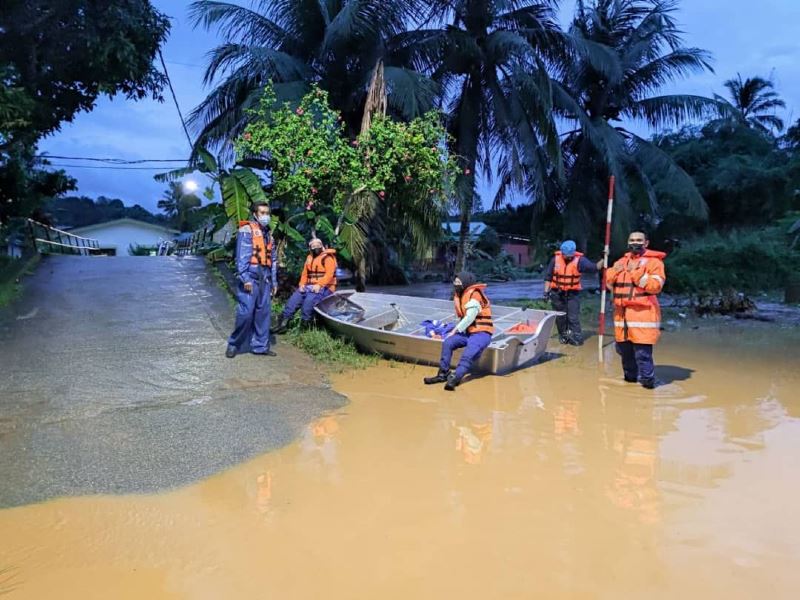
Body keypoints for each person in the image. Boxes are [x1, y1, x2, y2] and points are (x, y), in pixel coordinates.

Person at [605, 231, 666, 389]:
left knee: (642, 355)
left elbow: (655, 286)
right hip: (621, 316)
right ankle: (630, 385)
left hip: (642, 315)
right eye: (632, 240)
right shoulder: (621, 261)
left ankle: (648, 386)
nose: (635, 243)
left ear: (646, 243)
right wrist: (614, 271)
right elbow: (608, 281)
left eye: (639, 240)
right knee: (624, 353)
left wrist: (635, 272)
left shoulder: (654, 263)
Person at [423, 272, 494, 391]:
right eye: (455, 283)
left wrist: (455, 330)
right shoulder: (460, 294)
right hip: (468, 333)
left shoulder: (475, 295)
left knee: (467, 355)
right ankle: (443, 374)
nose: (456, 285)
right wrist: (454, 332)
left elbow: (470, 317)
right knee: (448, 343)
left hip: (481, 333)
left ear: (466, 283)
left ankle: (455, 378)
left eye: (458, 283)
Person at [225, 202, 277, 358]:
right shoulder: (247, 230)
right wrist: (245, 278)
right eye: (262, 212)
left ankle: (260, 346)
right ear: (255, 214)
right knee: (246, 313)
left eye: (267, 213)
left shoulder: (269, 234)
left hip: (265, 279)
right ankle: (234, 344)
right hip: (251, 278)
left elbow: (273, 260)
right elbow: (241, 257)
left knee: (263, 314)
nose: (265, 216)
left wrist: (274, 282)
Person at [543, 240, 603, 345]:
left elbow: (595, 268)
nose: (568, 257)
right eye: (566, 255)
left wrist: (604, 258)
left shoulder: (580, 261)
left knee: (573, 317)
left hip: (572, 293)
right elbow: (548, 277)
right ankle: (563, 335)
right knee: (560, 316)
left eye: (571, 255)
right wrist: (546, 292)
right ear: (562, 253)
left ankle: (576, 336)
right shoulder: (555, 260)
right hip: (557, 293)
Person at [272, 238, 337, 333]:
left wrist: (319, 285)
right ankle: (283, 325)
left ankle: (305, 330)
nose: (315, 247)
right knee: (293, 301)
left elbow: (329, 275)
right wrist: (302, 284)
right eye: (313, 246)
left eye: (317, 245)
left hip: (325, 287)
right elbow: (305, 274)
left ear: (322, 245)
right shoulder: (309, 258)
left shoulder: (328, 258)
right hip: (309, 286)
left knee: (308, 303)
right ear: (310, 248)